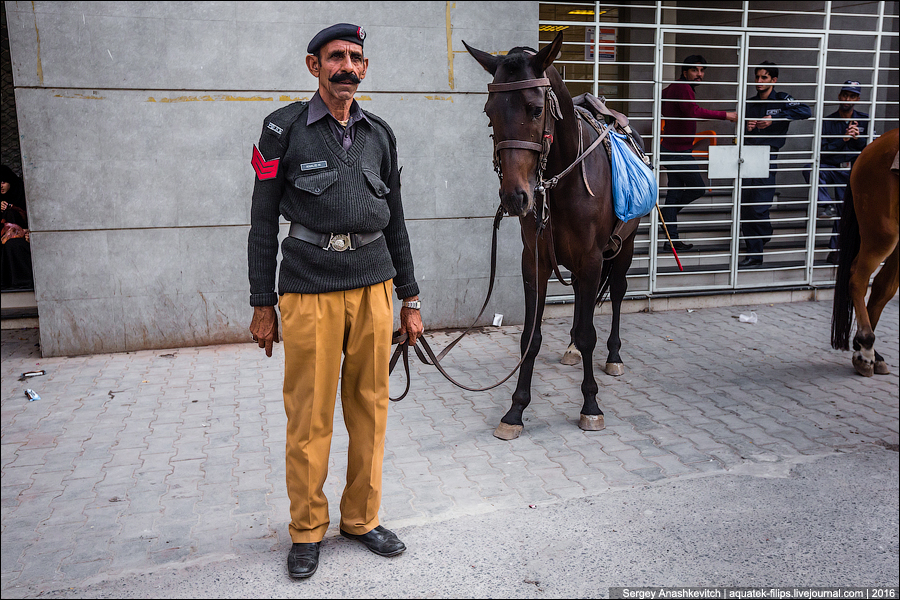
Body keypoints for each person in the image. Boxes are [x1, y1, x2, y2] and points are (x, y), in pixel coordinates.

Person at [247, 23, 424, 579]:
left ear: (364, 69)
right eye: (335, 57)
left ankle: (361, 519)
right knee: (309, 416)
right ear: (313, 65)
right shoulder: (282, 130)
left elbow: (397, 221)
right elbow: (260, 221)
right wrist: (261, 302)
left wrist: (411, 298)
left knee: (370, 409)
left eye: (355, 58)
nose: (347, 66)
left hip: (374, 287)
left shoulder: (381, 134)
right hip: (308, 289)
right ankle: (305, 529)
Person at [659, 55, 738, 251]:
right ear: (685, 72)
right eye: (695, 70)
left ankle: (672, 240)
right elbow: (692, 111)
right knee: (697, 188)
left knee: (675, 193)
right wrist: (725, 115)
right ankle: (667, 217)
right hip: (677, 151)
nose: (700, 74)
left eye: (702, 71)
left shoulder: (673, 87)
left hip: (675, 148)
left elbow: (664, 100)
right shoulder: (682, 87)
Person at [740, 61, 811, 268]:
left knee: (759, 205)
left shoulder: (781, 99)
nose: (759, 81)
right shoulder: (750, 103)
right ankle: (755, 251)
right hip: (748, 155)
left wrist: (774, 118)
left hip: (768, 155)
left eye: (764, 78)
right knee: (745, 206)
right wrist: (749, 126)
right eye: (757, 77)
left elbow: (805, 111)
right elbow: (742, 132)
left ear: (774, 80)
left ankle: (762, 237)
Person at [803, 80, 869, 263]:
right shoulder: (828, 121)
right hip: (831, 167)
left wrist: (857, 138)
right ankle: (825, 204)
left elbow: (868, 149)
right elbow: (823, 151)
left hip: (851, 171)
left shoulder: (864, 119)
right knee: (811, 169)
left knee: (845, 211)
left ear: (857, 98)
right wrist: (843, 139)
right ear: (840, 96)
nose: (848, 98)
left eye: (852, 96)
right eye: (845, 94)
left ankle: (836, 250)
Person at [1, 165, 34, 290]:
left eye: (3, 182)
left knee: (13, 245)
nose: (1, 186)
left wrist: (29, 231)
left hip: (23, 239)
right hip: (5, 239)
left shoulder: (22, 195)